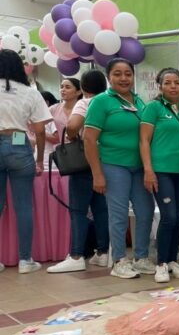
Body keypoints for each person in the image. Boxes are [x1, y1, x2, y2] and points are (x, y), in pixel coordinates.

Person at [84, 58, 156, 279]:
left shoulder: (140, 101)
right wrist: (97, 174)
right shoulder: (101, 102)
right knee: (118, 215)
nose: (123, 78)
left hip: (139, 167)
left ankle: (141, 257)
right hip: (113, 165)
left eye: (128, 73)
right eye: (117, 74)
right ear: (109, 77)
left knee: (145, 212)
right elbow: (88, 139)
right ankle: (119, 261)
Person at [47, 70, 111, 273]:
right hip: (107, 160)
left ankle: (76, 255)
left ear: (82, 88)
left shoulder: (86, 102)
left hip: (84, 162)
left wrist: (75, 137)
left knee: (78, 210)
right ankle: (103, 252)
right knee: (101, 209)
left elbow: (72, 126)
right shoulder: (111, 101)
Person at [0, 50, 52, 273]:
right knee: (24, 206)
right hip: (19, 146)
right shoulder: (30, 93)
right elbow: (40, 131)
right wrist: (39, 160)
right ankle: (25, 260)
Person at [140, 68, 179, 283]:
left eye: (177, 83)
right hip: (161, 171)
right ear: (160, 86)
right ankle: (161, 263)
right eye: (168, 83)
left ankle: (172, 261)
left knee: (178, 217)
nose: (173, 86)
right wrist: (148, 170)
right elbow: (144, 141)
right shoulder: (153, 108)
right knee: (169, 216)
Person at [42, 79, 82, 170]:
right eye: (61, 87)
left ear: (79, 91)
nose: (63, 90)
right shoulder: (54, 108)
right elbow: (37, 122)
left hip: (81, 149)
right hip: (63, 152)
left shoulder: (84, 107)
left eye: (67, 87)